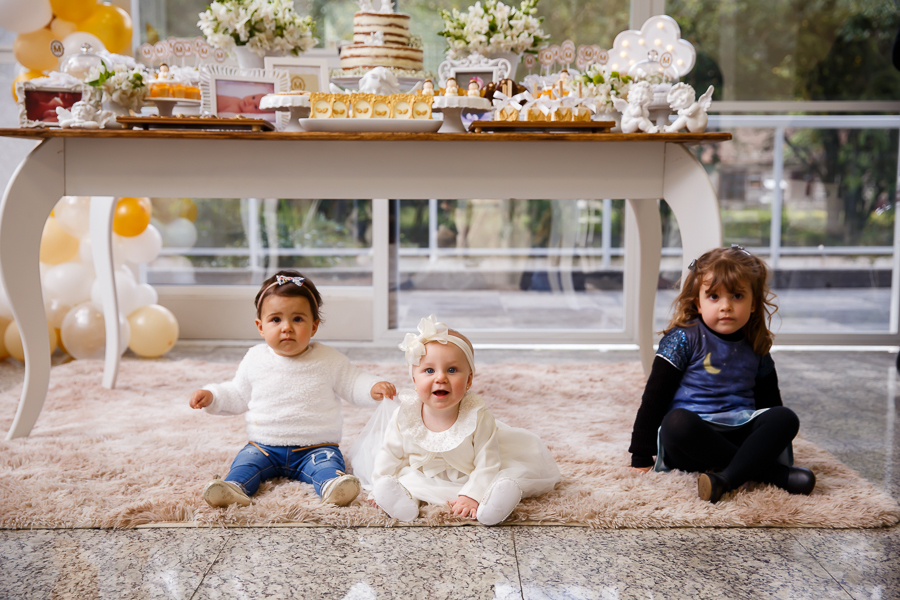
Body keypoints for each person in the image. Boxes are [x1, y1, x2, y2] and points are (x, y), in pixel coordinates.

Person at [189, 270, 397, 509]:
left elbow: (353, 381)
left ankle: (332, 486)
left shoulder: (327, 359)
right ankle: (234, 487)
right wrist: (212, 396)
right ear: (260, 326)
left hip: (316, 447)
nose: (286, 327)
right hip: (263, 445)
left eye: (297, 319)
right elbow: (236, 393)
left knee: (327, 466)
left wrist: (372, 387)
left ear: (314, 326)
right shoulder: (255, 358)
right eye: (276, 320)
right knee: (245, 464)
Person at [628, 245, 816, 503]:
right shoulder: (683, 337)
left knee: (785, 417)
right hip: (693, 440)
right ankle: (771, 475)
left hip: (741, 433)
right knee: (676, 422)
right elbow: (655, 397)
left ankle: (723, 480)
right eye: (714, 297)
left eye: (737, 296)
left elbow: (769, 399)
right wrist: (640, 454)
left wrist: (771, 440)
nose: (725, 306)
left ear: (752, 304)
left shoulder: (755, 343)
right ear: (698, 302)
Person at [359, 315, 560, 525]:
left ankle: (494, 504)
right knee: (402, 480)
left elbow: (487, 461)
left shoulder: (477, 416)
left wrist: (471, 495)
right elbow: (389, 454)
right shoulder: (405, 415)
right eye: (429, 370)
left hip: (469, 474)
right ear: (414, 380)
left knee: (499, 476)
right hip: (421, 475)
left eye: (452, 370)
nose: (440, 378)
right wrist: (378, 484)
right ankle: (401, 503)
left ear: (469, 380)